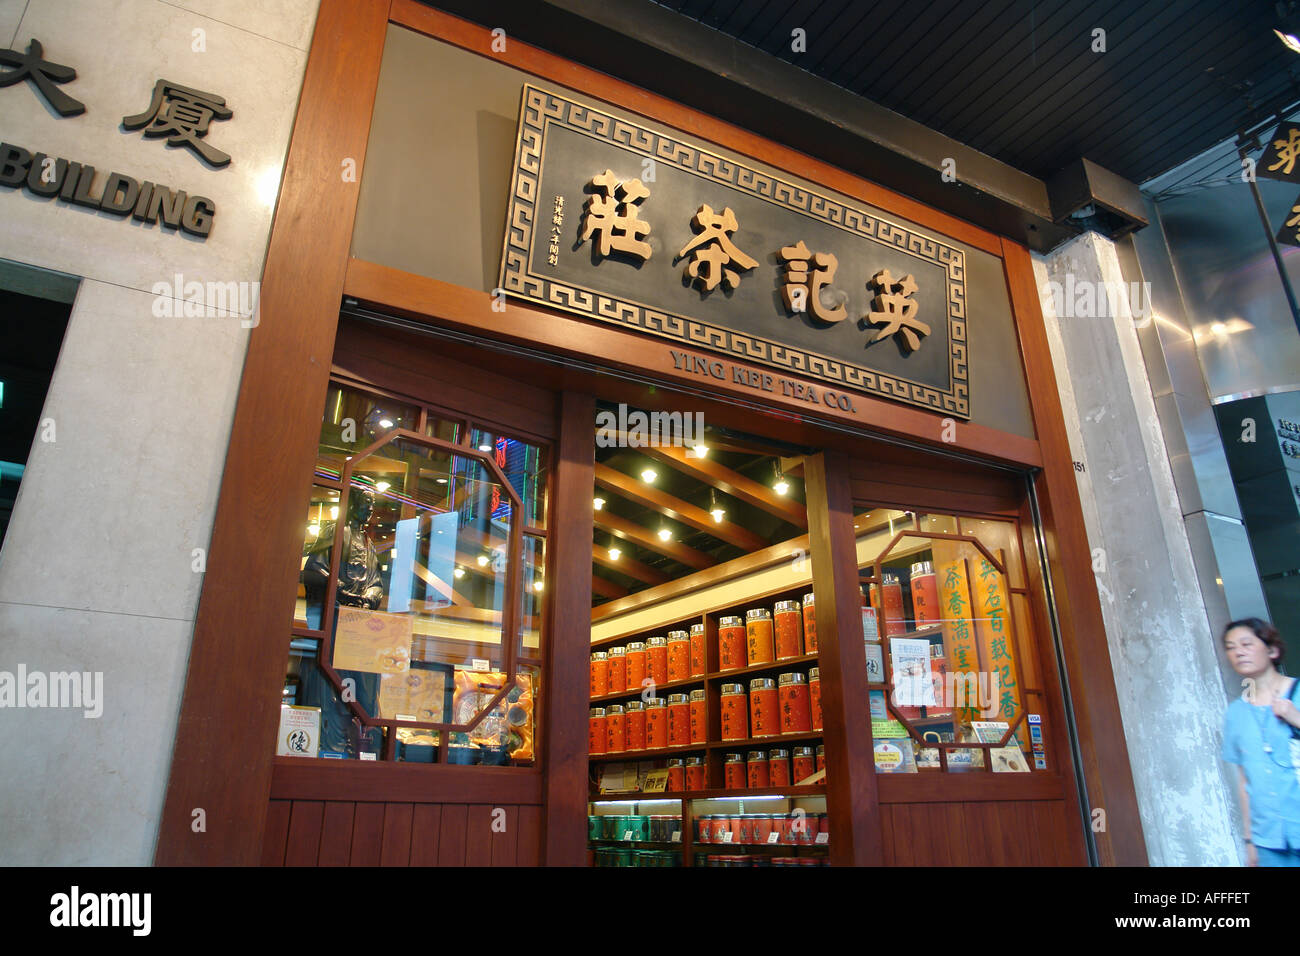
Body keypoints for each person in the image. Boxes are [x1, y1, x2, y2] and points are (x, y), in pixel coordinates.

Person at [1221, 618, 1300, 866]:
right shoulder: (1236, 713)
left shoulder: (1297, 693)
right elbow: (1245, 781)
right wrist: (1250, 841)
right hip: (1268, 841)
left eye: (1246, 644)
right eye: (1231, 647)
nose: (1238, 652)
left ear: (1272, 650)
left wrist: (1295, 718)